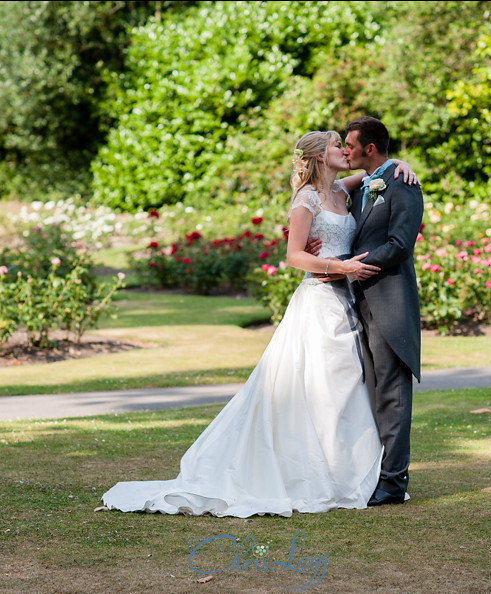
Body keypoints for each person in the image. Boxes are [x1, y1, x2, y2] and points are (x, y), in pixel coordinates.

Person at [101, 130, 417, 517]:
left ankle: (343, 471)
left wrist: (401, 164)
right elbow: (294, 256)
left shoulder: (344, 191)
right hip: (317, 300)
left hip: (344, 301)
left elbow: (379, 172)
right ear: (320, 157)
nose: (344, 152)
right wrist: (341, 266)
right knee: (318, 385)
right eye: (337, 146)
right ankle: (310, 473)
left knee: (342, 386)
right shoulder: (306, 199)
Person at [338, 116, 424, 506]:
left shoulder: (404, 185)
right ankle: (369, 472)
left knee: (392, 391)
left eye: (350, 145)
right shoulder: (359, 186)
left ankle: (393, 481)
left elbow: (401, 243)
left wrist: (357, 264)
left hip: (388, 301)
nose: (345, 151)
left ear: (369, 148)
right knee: (365, 392)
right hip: (354, 303)